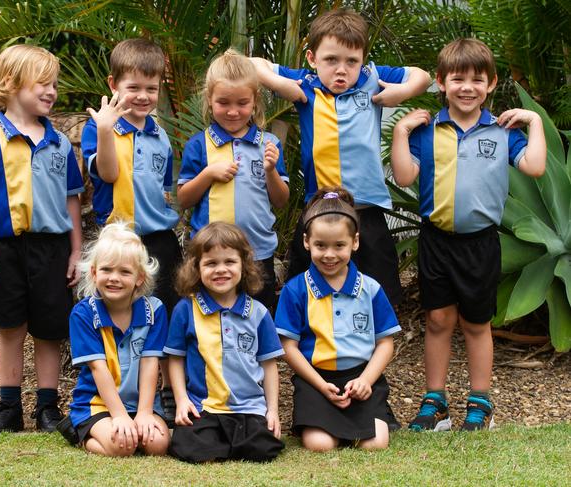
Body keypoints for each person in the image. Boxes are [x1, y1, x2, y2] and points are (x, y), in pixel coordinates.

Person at [391, 38, 546, 431]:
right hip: (436, 240)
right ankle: (435, 402)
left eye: (477, 79)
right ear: (441, 82)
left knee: (477, 324)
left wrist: (535, 122)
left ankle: (480, 402)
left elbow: (536, 167)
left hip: (480, 243)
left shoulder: (501, 132)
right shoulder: (428, 131)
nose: (467, 87)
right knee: (439, 319)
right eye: (457, 78)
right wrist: (401, 133)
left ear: (491, 84)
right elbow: (406, 176)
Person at [250, 7, 431, 308]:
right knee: (309, 292)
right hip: (319, 208)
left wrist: (402, 92)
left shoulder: (373, 78)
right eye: (331, 60)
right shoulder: (306, 84)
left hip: (366, 209)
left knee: (379, 294)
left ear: (363, 60)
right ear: (312, 58)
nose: (341, 70)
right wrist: (281, 84)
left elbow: (421, 76)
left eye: (352, 61)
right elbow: (252, 64)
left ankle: (373, 347)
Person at [0, 44, 84, 433]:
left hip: (52, 248)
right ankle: (8, 406)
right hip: (4, 247)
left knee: (50, 328)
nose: (52, 91)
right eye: (42, 84)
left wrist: (76, 251)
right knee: (10, 326)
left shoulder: (60, 144)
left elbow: (72, 201)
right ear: (11, 85)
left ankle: (48, 406)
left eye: (54, 84)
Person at [80, 38, 182, 424]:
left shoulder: (160, 134)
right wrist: (106, 130)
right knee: (114, 312)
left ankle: (169, 393)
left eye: (151, 88)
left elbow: (164, 187)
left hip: (159, 237)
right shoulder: (100, 127)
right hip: (118, 238)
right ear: (113, 84)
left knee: (168, 313)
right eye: (133, 87)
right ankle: (106, 390)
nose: (142, 96)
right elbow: (106, 173)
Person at [275, 187, 401, 452]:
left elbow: (385, 342)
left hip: (361, 377)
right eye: (320, 245)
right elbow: (289, 348)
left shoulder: (371, 289)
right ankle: (323, 422)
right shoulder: (296, 290)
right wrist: (321, 385)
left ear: (355, 242)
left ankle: (369, 413)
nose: (329, 255)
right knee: (319, 444)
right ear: (306, 242)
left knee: (376, 444)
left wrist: (366, 380)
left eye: (339, 245)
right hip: (316, 379)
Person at [177, 49, 290, 313]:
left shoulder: (269, 143)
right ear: (209, 99)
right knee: (211, 316)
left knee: (258, 315)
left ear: (255, 100)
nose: (232, 111)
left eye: (242, 103)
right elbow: (183, 199)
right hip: (211, 255)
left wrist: (271, 170)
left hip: (258, 251)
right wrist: (208, 175)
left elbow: (281, 200)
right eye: (223, 103)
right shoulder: (199, 145)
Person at [164, 222, 285, 463]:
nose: (221, 270)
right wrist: (181, 401)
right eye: (211, 263)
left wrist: (272, 411)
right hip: (203, 407)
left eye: (229, 262)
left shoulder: (258, 312)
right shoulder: (186, 310)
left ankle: (230, 442)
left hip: (249, 408)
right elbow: (175, 359)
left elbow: (269, 366)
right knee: (190, 448)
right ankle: (216, 442)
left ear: (244, 265)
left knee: (263, 450)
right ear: (196, 268)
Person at [64, 223, 170, 456]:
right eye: (107, 270)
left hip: (139, 403)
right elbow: (98, 369)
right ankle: (80, 433)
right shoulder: (84, 314)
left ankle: (133, 421)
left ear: (140, 277)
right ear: (94, 273)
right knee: (122, 447)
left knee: (158, 445)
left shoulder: (155, 311)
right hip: (98, 404)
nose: (114, 278)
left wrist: (143, 412)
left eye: (125, 272)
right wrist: (120, 416)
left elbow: (150, 364)